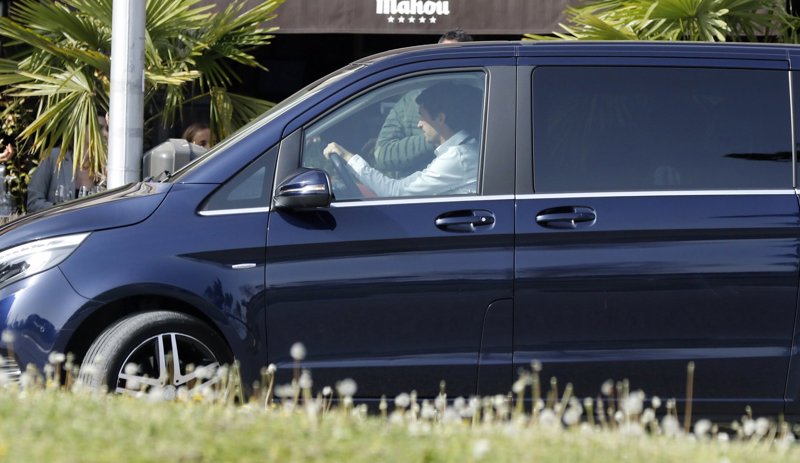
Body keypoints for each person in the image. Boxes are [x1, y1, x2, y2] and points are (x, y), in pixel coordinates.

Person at [323, 82, 481, 197]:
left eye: (422, 117)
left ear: (440, 119)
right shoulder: (462, 153)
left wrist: (348, 158)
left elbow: (395, 192)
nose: (419, 124)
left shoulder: (458, 158)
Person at [373, 30, 473, 177]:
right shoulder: (411, 101)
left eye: (457, 59)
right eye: (443, 57)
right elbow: (383, 154)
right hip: (415, 187)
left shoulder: (483, 98)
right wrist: (436, 136)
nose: (449, 64)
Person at [27, 113, 109, 212]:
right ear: (82, 128)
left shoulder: (105, 167)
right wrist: (62, 211)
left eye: (107, 129)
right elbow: (33, 202)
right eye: (99, 128)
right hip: (58, 221)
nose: (105, 134)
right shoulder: (54, 157)